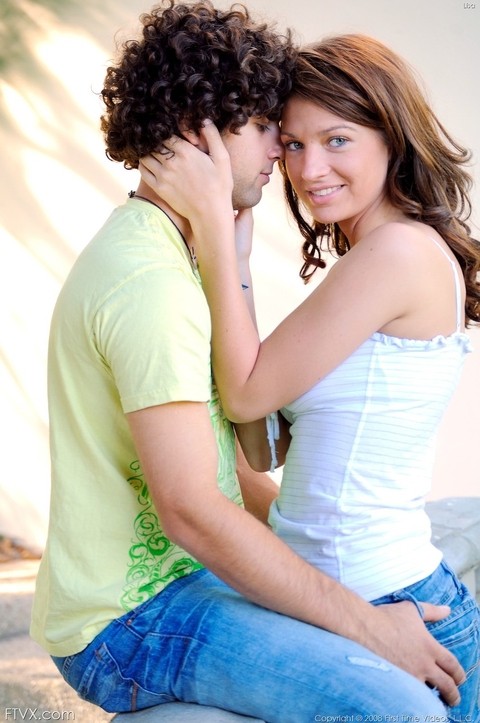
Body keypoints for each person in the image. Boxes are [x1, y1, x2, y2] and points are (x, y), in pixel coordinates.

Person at [30, 3, 464, 718]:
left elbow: (236, 466)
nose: (285, 158)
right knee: (405, 707)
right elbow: (194, 509)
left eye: (314, 138)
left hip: (179, 579)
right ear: (196, 132)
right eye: (270, 131)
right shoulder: (153, 284)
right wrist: (364, 621)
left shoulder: (174, 255)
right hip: (129, 615)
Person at [138, 32, 480, 721]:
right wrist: (233, 248)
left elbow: (244, 391)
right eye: (291, 143)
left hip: (393, 607)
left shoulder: (398, 253)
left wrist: (208, 222)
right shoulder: (369, 256)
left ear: (392, 136)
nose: (308, 167)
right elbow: (264, 437)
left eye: (337, 140)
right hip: (341, 600)